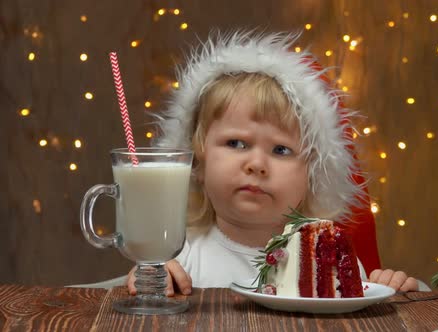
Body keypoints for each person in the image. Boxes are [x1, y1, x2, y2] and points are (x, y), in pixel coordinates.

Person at [126, 31, 421, 296]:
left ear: (312, 177)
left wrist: (393, 291)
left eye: (281, 150)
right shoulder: (179, 254)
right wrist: (153, 280)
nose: (256, 164)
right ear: (197, 163)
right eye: (236, 144)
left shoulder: (326, 259)